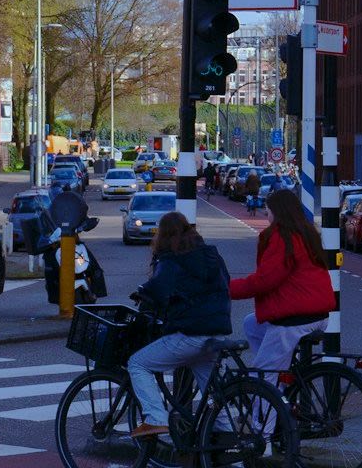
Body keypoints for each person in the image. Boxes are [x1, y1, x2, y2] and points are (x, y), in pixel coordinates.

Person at [125, 212, 232, 441]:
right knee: (215, 401)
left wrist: (142, 293)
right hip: (216, 334)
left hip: (190, 334)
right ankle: (235, 465)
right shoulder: (211, 255)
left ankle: (155, 418)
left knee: (137, 364)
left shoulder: (171, 260)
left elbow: (158, 289)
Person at [230, 187, 336, 379]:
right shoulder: (307, 233)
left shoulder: (282, 237)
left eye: (268, 210)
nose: (265, 213)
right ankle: (282, 378)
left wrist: (226, 288)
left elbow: (264, 281)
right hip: (318, 315)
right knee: (251, 324)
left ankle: (271, 394)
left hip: (295, 319)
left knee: (262, 376)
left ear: (277, 212)